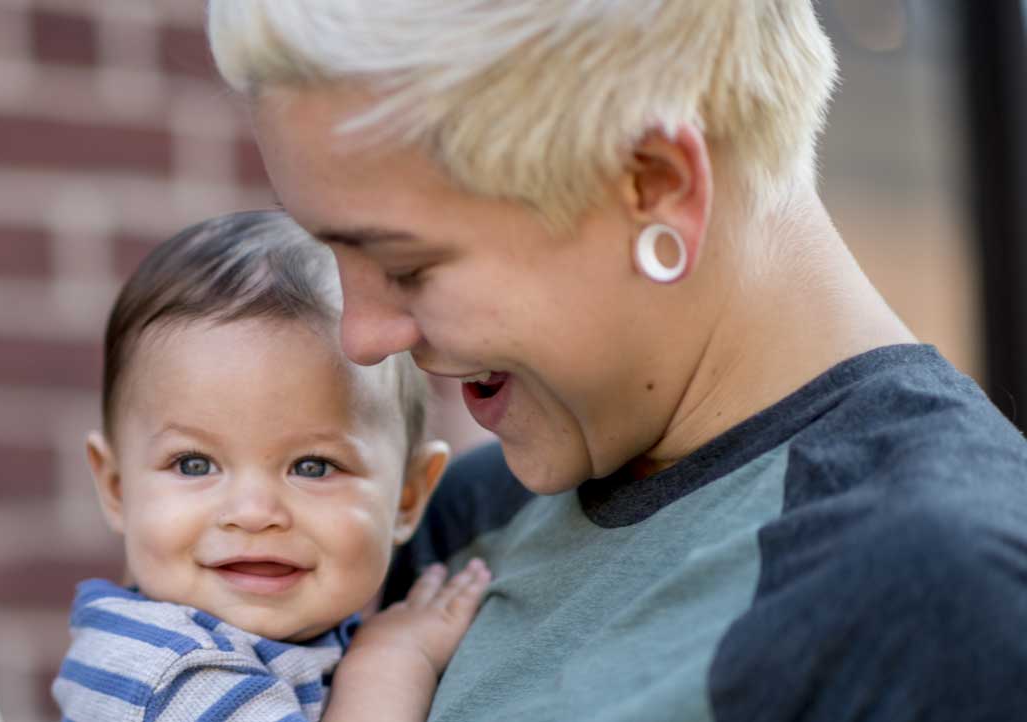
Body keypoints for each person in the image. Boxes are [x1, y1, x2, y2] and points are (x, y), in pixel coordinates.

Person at [207, 1, 1027, 720]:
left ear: (656, 186)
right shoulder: (466, 520)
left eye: (405, 265)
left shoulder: (943, 589)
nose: (362, 336)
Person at [56, 211, 491, 722]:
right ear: (117, 488)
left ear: (407, 497)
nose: (254, 513)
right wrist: (391, 664)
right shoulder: (173, 675)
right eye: (195, 464)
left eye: (313, 466)